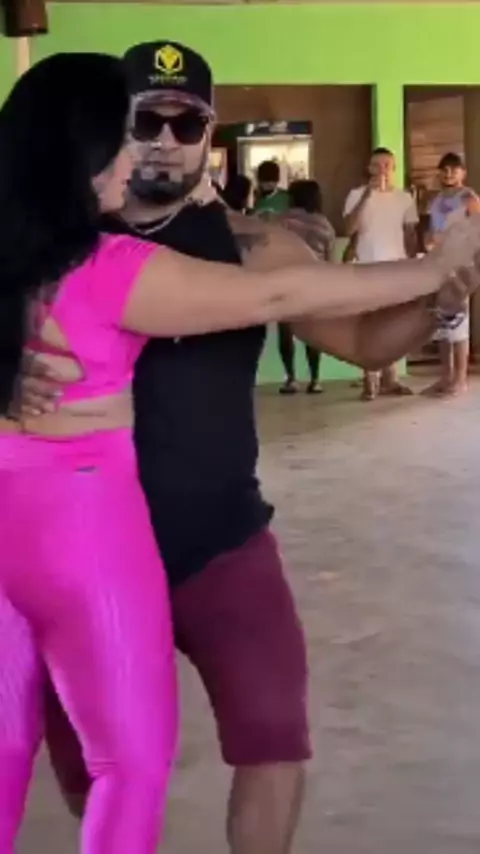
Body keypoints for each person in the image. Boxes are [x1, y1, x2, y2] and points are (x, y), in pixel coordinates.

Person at [19, 42, 480, 854]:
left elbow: (363, 346)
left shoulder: (253, 245)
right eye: (145, 121)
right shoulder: (44, 249)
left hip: (219, 539)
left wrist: (437, 298)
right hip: (78, 551)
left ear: (210, 133)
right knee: (97, 763)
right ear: (112, 132)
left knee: (273, 736)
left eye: (186, 122)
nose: (165, 141)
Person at [344, 147, 419, 400]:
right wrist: (368, 194)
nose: (382, 170)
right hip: (367, 268)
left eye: (387, 165)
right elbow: (348, 228)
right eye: (376, 165)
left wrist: (414, 265)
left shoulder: (404, 198)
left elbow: (410, 234)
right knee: (369, 325)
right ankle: (370, 379)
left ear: (394, 168)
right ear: (369, 168)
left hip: (397, 269)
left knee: (393, 326)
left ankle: (391, 379)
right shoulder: (356, 195)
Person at [423, 152, 480, 397]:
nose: (449, 174)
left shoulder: (469, 197)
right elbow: (430, 230)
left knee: (459, 323)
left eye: (454, 169)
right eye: (445, 169)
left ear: (462, 173)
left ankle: (460, 379)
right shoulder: (435, 200)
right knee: (441, 323)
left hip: (461, 264)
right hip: (439, 263)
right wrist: (428, 240)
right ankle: (445, 377)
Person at [277, 179, 336, 394]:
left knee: (286, 332)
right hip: (313, 284)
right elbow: (330, 260)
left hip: (286, 281)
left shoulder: (282, 221)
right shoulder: (325, 224)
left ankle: (291, 378)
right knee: (312, 333)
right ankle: (315, 379)